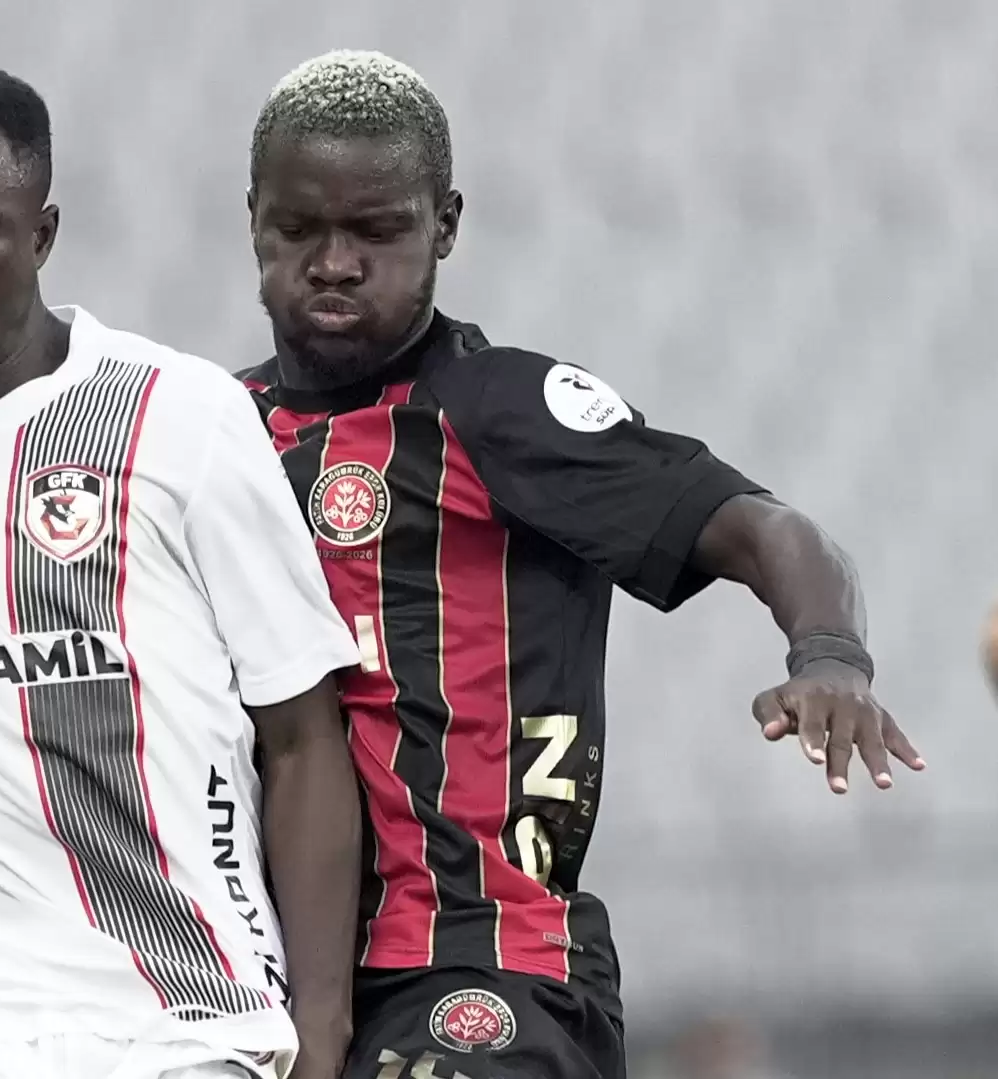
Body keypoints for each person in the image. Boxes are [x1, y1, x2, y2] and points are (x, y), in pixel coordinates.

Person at [234, 50, 925, 1079]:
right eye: (300, 229)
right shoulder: (209, 436)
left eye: (376, 230)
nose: (335, 263)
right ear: (254, 219)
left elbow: (764, 527)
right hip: (256, 975)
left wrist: (828, 653)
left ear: (444, 225)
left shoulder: (505, 411)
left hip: (486, 959)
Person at [0, 62, 366, 1079]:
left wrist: (319, 1029)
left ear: (41, 236)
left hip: (177, 1023)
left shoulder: (179, 418)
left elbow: (302, 737)